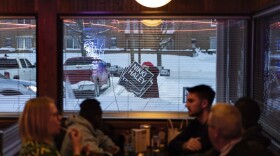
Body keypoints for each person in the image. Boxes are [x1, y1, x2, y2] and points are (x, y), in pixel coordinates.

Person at [168, 84, 215, 156]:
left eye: (191, 101)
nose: (186, 105)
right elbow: (171, 145)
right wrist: (185, 145)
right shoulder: (195, 124)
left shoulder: (216, 127)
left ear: (204, 103)